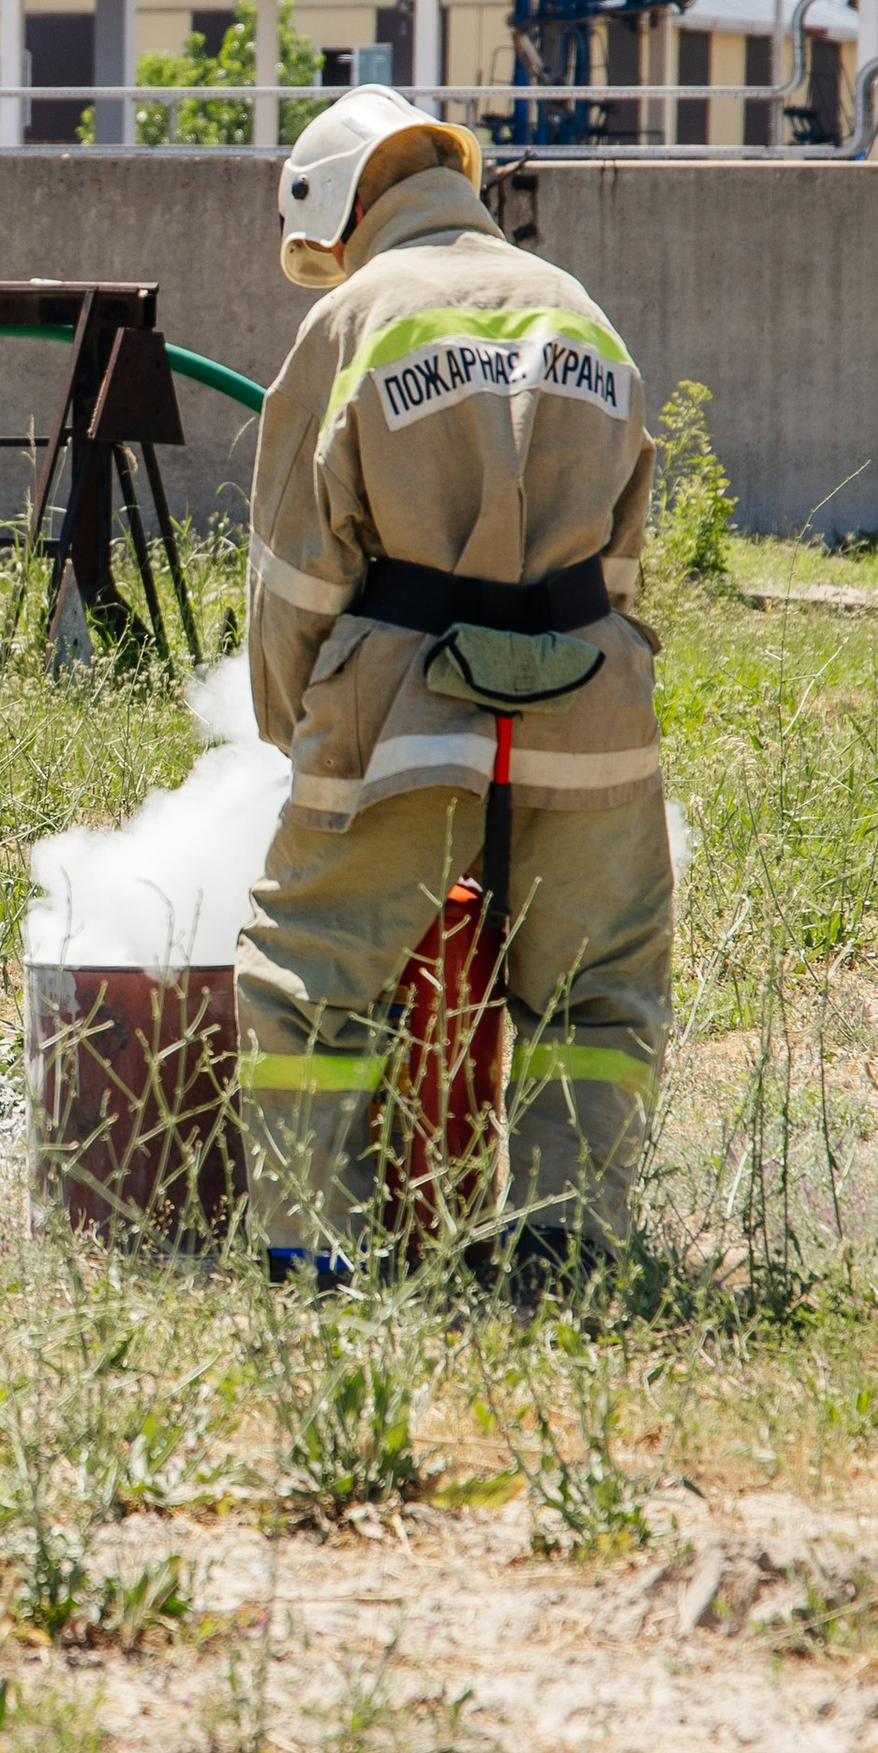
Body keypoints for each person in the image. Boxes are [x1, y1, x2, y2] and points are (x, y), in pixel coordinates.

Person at [234, 85, 671, 1286]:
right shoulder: (579, 309)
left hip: (400, 706)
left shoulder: (357, 314)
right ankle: (560, 1250)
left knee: (304, 982)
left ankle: (315, 1261)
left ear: (341, 209)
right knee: (593, 996)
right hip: (592, 704)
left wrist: (297, 737)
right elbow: (625, 554)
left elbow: (296, 570)